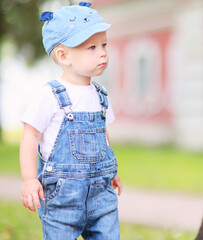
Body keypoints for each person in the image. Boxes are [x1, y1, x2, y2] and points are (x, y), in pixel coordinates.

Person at [19, 2, 122, 239]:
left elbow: (102, 134)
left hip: (102, 197)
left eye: (104, 44)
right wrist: (28, 179)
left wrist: (110, 170)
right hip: (63, 199)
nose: (103, 52)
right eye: (92, 47)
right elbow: (30, 134)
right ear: (64, 56)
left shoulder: (100, 94)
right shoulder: (50, 94)